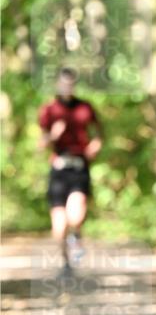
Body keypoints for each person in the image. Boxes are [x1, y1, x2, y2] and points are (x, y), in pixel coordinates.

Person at [38, 67, 103, 270]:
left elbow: (99, 133)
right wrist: (53, 136)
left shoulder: (85, 107)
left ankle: (76, 235)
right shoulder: (49, 110)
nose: (67, 87)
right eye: (63, 83)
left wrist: (95, 145)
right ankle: (65, 263)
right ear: (57, 84)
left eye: (70, 83)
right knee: (59, 223)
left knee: (75, 214)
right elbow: (40, 144)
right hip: (59, 169)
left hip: (79, 166)